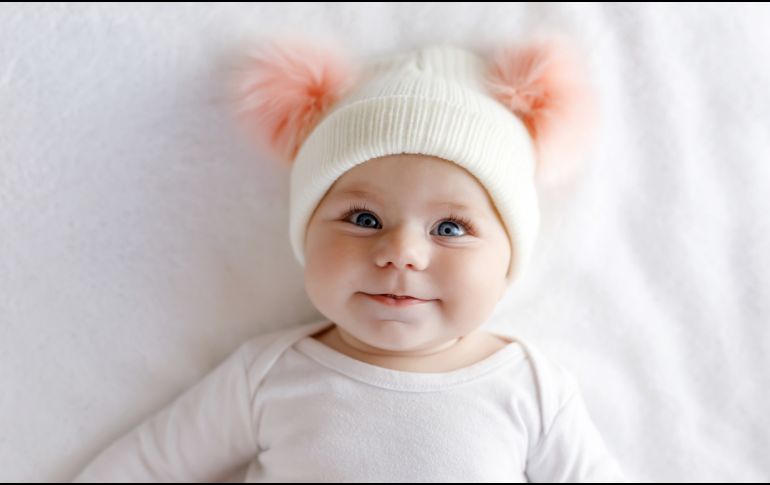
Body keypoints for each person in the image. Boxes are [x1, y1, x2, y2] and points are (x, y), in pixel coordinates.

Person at [73, 33, 625, 482]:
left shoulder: (528, 389)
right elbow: (147, 465)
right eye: (364, 219)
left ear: (509, 260)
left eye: (450, 228)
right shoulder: (267, 376)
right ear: (307, 236)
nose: (402, 253)